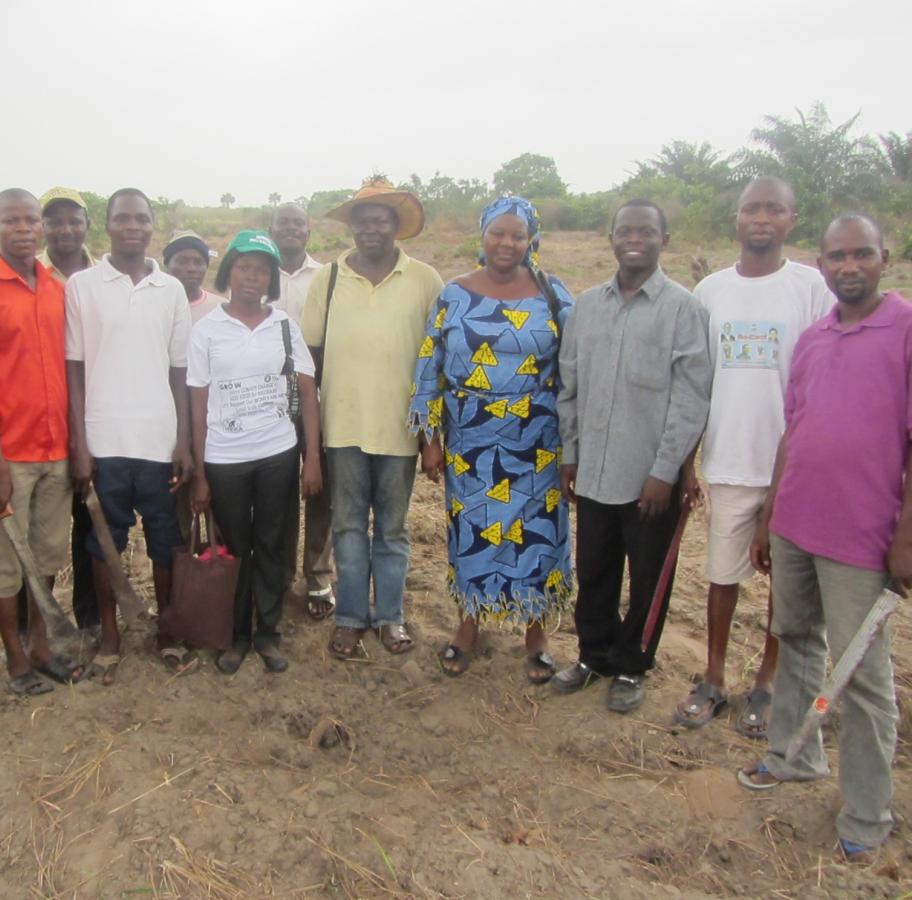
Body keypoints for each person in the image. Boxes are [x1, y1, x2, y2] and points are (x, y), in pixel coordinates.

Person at [738, 214, 910, 864]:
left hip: (864, 537)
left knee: (863, 675)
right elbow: (793, 432)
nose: (848, 265)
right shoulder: (813, 338)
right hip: (795, 525)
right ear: (823, 262)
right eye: (836, 255)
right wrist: (767, 515)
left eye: (861, 253)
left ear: (884, 257)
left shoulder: (905, 330)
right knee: (795, 641)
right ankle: (792, 754)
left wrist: (905, 540)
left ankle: (867, 811)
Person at [675, 177, 834, 736]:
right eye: (750, 209)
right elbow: (694, 382)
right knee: (722, 574)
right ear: (737, 220)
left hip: (794, 468)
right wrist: (686, 462)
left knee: (784, 585)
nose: (761, 218)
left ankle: (766, 683)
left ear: (792, 218)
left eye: (773, 209)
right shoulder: (711, 291)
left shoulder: (813, 288)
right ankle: (714, 677)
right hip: (728, 459)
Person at [554, 200, 711, 712]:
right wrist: (570, 454)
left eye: (647, 230)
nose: (634, 238)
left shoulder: (684, 311)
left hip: (649, 478)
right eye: (625, 230)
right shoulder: (586, 307)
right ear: (612, 238)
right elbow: (570, 388)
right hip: (594, 468)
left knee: (647, 579)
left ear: (665, 238)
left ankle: (632, 666)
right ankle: (593, 655)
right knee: (594, 570)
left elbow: (691, 399)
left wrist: (665, 472)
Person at [411, 197, 574, 680]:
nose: (507, 243)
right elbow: (429, 365)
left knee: (541, 538)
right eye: (497, 233)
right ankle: (469, 626)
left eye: (517, 235)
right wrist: (431, 438)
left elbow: (576, 372)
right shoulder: (454, 294)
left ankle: (537, 634)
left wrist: (575, 447)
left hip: (538, 440)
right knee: (473, 532)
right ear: (482, 236)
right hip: (471, 441)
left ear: (531, 240)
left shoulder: (554, 294)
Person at [0, 189, 83, 696]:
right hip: (11, 455)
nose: (24, 229)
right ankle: (15, 661)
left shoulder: (57, 288)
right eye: (12, 221)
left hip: (58, 451)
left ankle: (42, 646)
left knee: (47, 559)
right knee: (7, 565)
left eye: (31, 220)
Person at [302, 178, 444, 659]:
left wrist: (431, 438)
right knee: (346, 526)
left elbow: (434, 365)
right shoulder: (331, 278)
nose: (370, 229)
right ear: (352, 227)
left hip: (400, 432)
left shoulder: (425, 280)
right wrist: (312, 440)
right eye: (362, 221)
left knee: (392, 530)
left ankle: (389, 617)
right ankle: (349, 618)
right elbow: (312, 363)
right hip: (342, 430)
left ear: (395, 226)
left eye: (380, 221)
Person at [66, 188, 195, 680]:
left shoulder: (171, 290)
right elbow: (74, 369)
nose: (133, 226)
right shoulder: (82, 286)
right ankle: (111, 635)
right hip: (104, 441)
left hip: (159, 440)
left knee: (165, 540)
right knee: (104, 541)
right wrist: (80, 443)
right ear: (108, 225)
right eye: (123, 219)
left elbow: (179, 372)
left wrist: (182, 442)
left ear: (152, 225)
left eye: (142, 218)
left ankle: (166, 629)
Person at [188, 230, 321, 673]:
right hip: (224, 459)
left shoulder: (284, 326)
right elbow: (198, 401)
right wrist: (201, 474)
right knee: (235, 548)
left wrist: (312, 459)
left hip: (277, 454)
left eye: (261, 269)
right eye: (243, 267)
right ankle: (235, 636)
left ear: (271, 278)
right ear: (228, 272)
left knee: (271, 543)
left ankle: (268, 634)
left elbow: (307, 390)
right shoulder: (207, 330)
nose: (252, 276)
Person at [31, 187, 99, 633]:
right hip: (47, 423)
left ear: (87, 224)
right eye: (54, 221)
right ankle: (39, 622)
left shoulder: (106, 275)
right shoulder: (30, 276)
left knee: (93, 526)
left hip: (100, 418)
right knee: (46, 533)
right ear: (43, 228)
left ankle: (91, 617)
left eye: (73, 220)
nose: (65, 229)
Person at [267, 203, 334, 619]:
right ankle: (279, 571)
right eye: (283, 223)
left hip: (315, 394)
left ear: (309, 232)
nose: (291, 229)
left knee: (319, 486)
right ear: (270, 229)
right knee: (277, 491)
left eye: (298, 223)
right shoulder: (257, 272)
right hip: (266, 400)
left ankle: (318, 574)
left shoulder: (325, 277)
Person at [164, 230, 223, 324]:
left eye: (199, 262)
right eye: (182, 262)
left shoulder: (220, 309)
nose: (191, 269)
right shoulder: (152, 305)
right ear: (167, 265)